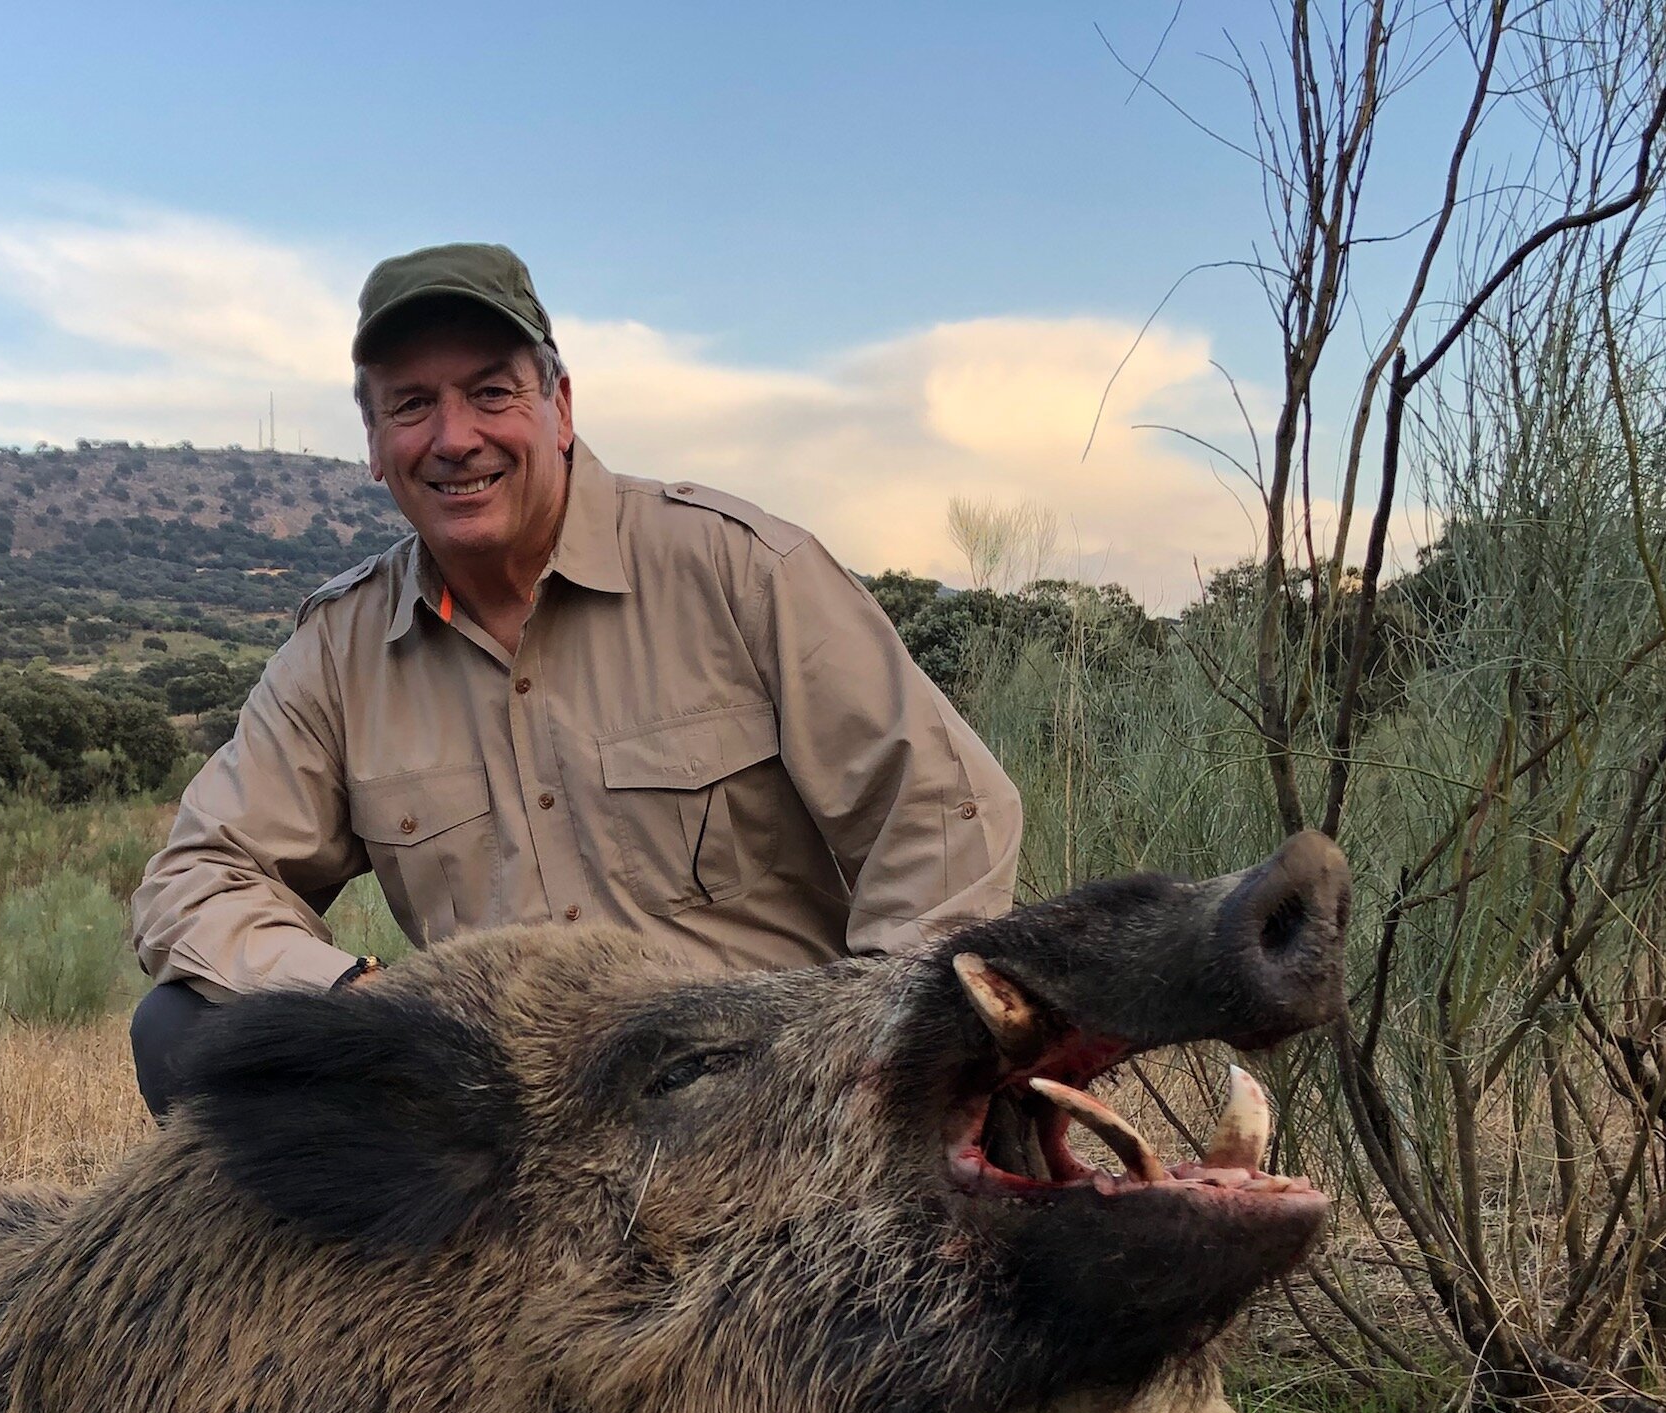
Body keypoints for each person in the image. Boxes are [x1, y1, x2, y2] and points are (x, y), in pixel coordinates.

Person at [126, 242, 1025, 1112]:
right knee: (180, 1030)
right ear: (372, 440)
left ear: (559, 405)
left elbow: (943, 813)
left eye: (490, 393)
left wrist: (872, 1053)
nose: (453, 438)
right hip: (504, 1110)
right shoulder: (339, 651)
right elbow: (197, 877)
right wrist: (357, 997)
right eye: (410, 406)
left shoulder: (740, 570)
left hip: (756, 1096)